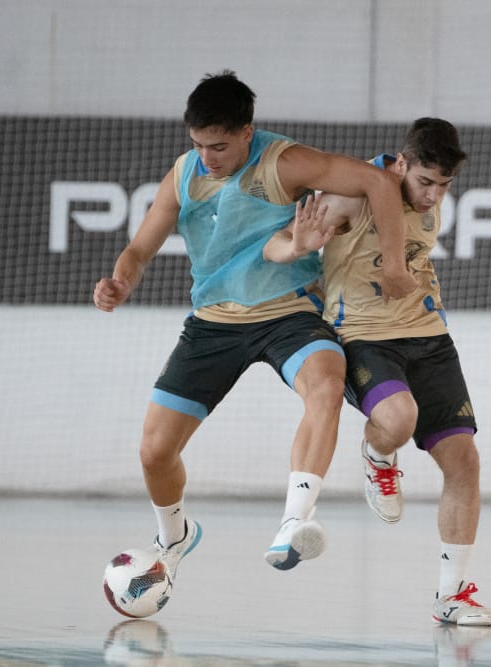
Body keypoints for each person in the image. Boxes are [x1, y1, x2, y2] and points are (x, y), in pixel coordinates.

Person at [92, 71, 417, 599]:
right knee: (154, 453)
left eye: (219, 146)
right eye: (198, 144)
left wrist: (396, 265)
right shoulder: (185, 173)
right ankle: (174, 537)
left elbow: (379, 182)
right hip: (213, 324)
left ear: (247, 132)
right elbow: (139, 249)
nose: (207, 157)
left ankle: (294, 520)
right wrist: (120, 281)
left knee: (326, 383)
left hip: (289, 314)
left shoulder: (283, 162)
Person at [264, 118, 491, 626]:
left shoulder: (427, 200)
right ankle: (377, 453)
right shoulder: (351, 194)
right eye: (425, 182)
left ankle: (452, 596)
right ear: (401, 162)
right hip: (364, 336)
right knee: (398, 418)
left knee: (464, 462)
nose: (433, 196)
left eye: (444, 186)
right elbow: (275, 244)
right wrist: (298, 245)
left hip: (429, 335)